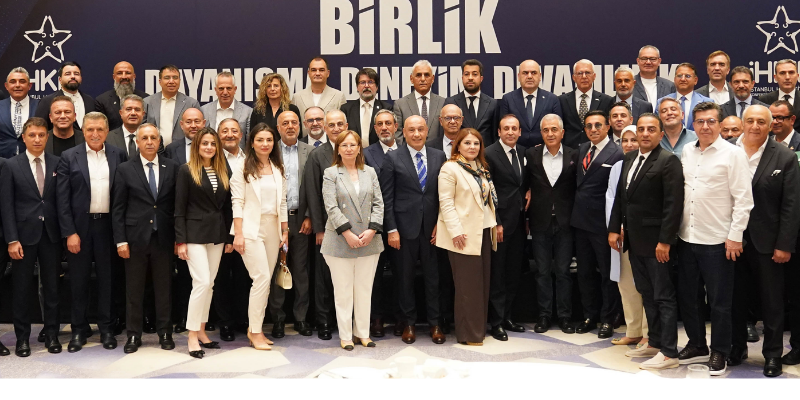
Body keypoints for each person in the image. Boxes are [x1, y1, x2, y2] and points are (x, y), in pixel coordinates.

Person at [677, 101, 753, 376]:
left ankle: (720, 349)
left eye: (710, 121)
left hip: (719, 241)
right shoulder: (687, 151)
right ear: (693, 124)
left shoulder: (734, 154)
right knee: (690, 297)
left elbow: (744, 200)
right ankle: (697, 343)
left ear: (720, 125)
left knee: (720, 302)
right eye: (700, 121)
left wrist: (735, 237)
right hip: (687, 236)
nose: (705, 126)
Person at [608, 113, 684, 370]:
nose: (645, 134)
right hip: (634, 240)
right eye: (641, 129)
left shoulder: (668, 160)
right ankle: (655, 341)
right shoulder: (630, 158)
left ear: (661, 134)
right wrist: (614, 229)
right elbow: (622, 199)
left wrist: (666, 241)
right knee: (647, 294)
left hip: (657, 244)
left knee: (663, 296)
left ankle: (670, 352)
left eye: (651, 129)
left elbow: (673, 205)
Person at [729, 105, 800, 377]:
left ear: (771, 126)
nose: (755, 126)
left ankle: (772, 355)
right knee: (734, 299)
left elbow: (791, 206)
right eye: (750, 121)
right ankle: (737, 348)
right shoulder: (727, 151)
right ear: (742, 123)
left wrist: (784, 245)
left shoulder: (784, 156)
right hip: (731, 240)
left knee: (772, 303)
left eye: (761, 122)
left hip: (768, 243)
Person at [56, 112, 128, 352]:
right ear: (83, 132)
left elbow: (123, 196)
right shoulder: (69, 156)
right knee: (79, 281)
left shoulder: (118, 154)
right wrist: (69, 232)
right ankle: (79, 329)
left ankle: (107, 329)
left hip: (108, 227)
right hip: (80, 228)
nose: (95, 134)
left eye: (99, 129)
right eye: (90, 130)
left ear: (107, 132)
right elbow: (62, 199)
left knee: (108, 281)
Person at [379, 115, 448, 344]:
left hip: (432, 230)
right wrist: (391, 229)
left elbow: (444, 195)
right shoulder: (393, 158)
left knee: (433, 279)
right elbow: (387, 198)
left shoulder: (439, 156)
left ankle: (435, 323)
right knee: (404, 279)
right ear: (403, 132)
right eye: (411, 130)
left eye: (420, 129)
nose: (416, 134)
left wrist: (441, 223)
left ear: (427, 131)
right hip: (403, 230)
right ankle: (408, 323)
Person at [111, 123, 179, 353]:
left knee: (164, 289)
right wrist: (121, 241)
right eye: (145, 138)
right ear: (137, 142)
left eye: (153, 138)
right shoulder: (125, 169)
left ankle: (165, 332)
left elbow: (176, 206)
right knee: (134, 290)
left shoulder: (172, 167)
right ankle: (133, 335)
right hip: (134, 240)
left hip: (164, 238)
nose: (149, 142)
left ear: (160, 142)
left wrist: (178, 238)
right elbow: (118, 208)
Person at [0, 118, 62, 357]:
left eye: (41, 135)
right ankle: (22, 339)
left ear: (47, 137)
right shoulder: (11, 165)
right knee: (22, 289)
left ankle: (52, 334)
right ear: (24, 138)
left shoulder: (57, 162)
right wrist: (12, 239)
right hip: (22, 238)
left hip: (51, 235)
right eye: (32, 135)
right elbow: (6, 205)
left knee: (52, 288)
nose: (37, 139)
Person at [320, 130, 384, 350]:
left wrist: (372, 230)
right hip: (340, 240)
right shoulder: (331, 173)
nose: (348, 149)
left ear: (359, 148)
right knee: (343, 291)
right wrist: (347, 233)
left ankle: (363, 333)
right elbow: (331, 206)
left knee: (364, 289)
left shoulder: (370, 172)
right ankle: (346, 336)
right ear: (338, 149)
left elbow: (379, 203)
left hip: (368, 239)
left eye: (353, 145)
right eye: (344, 145)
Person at [174, 127, 233, 358]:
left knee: (209, 285)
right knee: (201, 282)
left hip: (217, 234)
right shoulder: (186, 170)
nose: (209, 147)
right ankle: (191, 335)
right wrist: (180, 241)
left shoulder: (223, 170)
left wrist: (229, 237)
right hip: (194, 234)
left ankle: (201, 330)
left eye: (212, 143)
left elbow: (227, 207)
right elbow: (179, 208)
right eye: (204, 143)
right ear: (197, 146)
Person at [436, 128, 497, 345]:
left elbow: (487, 201)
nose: (472, 147)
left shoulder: (480, 167)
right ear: (458, 146)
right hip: (462, 234)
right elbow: (446, 202)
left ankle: (477, 330)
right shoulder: (450, 168)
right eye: (467, 143)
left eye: (476, 143)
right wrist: (455, 231)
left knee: (481, 285)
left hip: (483, 231)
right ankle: (468, 335)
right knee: (467, 287)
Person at [230, 124, 288, 351]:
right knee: (261, 278)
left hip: (273, 228)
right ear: (252, 142)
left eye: (269, 140)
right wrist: (238, 234)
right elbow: (237, 202)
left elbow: (282, 202)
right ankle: (255, 331)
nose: (265, 144)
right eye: (260, 140)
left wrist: (285, 231)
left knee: (266, 280)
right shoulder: (242, 167)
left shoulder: (278, 168)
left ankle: (256, 328)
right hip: (250, 228)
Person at [571, 110, 624, 337]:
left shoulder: (617, 153)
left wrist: (615, 226)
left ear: (608, 127)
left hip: (603, 225)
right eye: (589, 126)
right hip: (580, 223)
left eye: (598, 125)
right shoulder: (582, 149)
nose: (593, 129)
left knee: (606, 274)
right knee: (584, 273)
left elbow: (618, 195)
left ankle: (608, 319)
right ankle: (589, 316)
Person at [527, 114, 577, 334]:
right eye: (546, 130)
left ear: (562, 132)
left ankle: (565, 316)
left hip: (566, 222)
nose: (550, 133)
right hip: (540, 222)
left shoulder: (575, 155)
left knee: (564, 272)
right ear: (541, 133)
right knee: (542, 272)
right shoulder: (531, 154)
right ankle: (544, 315)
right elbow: (525, 183)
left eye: (554, 129)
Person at [268, 112, 315, 338]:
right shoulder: (269, 150)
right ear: (278, 128)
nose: (290, 126)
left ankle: (301, 318)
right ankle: (277, 319)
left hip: (301, 220)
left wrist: (309, 215)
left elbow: (315, 187)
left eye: (294, 123)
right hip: (275, 220)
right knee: (278, 267)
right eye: (285, 123)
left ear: (300, 126)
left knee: (301, 270)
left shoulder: (310, 151)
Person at [305, 110, 349, 340]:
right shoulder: (317, 155)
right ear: (325, 127)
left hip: (352, 227)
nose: (336, 128)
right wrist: (319, 228)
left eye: (340, 124)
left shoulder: (354, 150)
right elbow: (312, 193)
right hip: (327, 227)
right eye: (331, 125)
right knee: (324, 276)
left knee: (346, 277)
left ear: (346, 125)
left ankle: (346, 320)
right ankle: (323, 320)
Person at [605, 125, 649, 348]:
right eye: (625, 140)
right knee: (626, 284)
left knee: (647, 285)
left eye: (634, 139)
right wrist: (615, 228)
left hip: (644, 235)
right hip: (622, 236)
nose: (629, 144)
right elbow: (611, 199)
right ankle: (633, 331)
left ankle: (649, 333)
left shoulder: (652, 163)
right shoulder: (617, 167)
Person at [485, 115, 528, 340]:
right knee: (498, 275)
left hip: (519, 223)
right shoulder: (489, 153)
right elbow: (487, 192)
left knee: (513, 273)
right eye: (506, 128)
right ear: (499, 132)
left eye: (514, 128)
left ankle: (508, 316)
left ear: (520, 131)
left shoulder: (523, 152)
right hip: (499, 224)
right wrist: (497, 222)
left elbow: (523, 183)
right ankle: (496, 322)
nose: (510, 132)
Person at [362, 109, 399, 337]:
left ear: (396, 126)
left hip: (400, 225)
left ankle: (400, 318)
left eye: (388, 123)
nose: (384, 127)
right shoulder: (366, 154)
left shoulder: (405, 151)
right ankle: (376, 318)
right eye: (380, 124)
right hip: (373, 226)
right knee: (374, 275)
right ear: (375, 129)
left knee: (401, 273)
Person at [213, 118, 250, 341]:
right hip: (222, 229)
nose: (230, 134)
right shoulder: (213, 160)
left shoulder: (249, 159)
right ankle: (225, 322)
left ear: (241, 135)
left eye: (234, 131)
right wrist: (229, 235)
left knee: (244, 276)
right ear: (219, 135)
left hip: (248, 228)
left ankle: (242, 319)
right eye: (225, 131)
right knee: (221, 278)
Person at [499, 59, 562, 148]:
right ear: (518, 76)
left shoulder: (552, 99)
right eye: (525, 73)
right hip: (516, 151)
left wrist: (544, 147)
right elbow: (503, 129)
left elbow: (558, 130)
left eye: (533, 73)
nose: (529, 76)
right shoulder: (508, 99)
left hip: (543, 151)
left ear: (540, 76)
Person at [558, 59, 614, 149]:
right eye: (580, 73)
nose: (584, 76)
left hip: (596, 150)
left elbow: (609, 129)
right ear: (574, 77)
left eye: (587, 73)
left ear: (594, 76)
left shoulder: (606, 100)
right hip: (569, 150)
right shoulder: (562, 100)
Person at [144, 65, 201, 146]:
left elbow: (199, 131)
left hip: (181, 150)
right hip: (154, 149)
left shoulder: (191, 103)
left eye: (175, 78)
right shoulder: (147, 102)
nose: (171, 81)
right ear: (160, 81)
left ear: (179, 81)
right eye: (167, 78)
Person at [445, 59, 498, 145]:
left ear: (481, 78)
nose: (470, 78)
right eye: (466, 74)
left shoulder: (492, 104)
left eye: (475, 74)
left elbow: (495, 135)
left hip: (486, 152)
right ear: (462, 78)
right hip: (459, 151)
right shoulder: (451, 102)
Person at [293, 57, 347, 137]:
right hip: (305, 143)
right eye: (314, 70)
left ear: (328, 73)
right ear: (308, 73)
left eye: (321, 70)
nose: (317, 73)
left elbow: (342, 125)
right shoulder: (297, 97)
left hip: (331, 143)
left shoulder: (339, 96)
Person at [34, 61, 95, 131]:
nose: (73, 76)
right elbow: (38, 128)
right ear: (60, 80)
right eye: (68, 74)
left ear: (81, 78)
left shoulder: (89, 100)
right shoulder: (47, 101)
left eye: (76, 74)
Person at [340, 68, 393, 147]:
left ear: (377, 87)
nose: (366, 86)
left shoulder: (386, 108)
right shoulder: (346, 109)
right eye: (362, 82)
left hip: (379, 153)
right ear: (357, 87)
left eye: (370, 82)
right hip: (353, 152)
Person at [394, 60, 445, 140]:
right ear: (411, 79)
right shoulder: (400, 105)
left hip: (437, 148)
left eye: (426, 75)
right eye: (418, 75)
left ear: (432, 79)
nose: (423, 79)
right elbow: (398, 136)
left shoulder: (443, 103)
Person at [655, 63, 713, 130]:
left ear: (695, 80)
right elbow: (657, 127)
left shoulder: (707, 102)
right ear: (674, 79)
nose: (683, 79)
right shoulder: (661, 102)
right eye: (679, 76)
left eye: (687, 76)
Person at [94, 61, 148, 131]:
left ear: (134, 76)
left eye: (128, 73)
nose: (124, 76)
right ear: (114, 77)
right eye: (119, 73)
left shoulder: (146, 99)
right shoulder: (102, 101)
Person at [201, 71, 253, 140]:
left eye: (229, 88)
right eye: (221, 89)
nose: (225, 92)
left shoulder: (248, 112)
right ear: (215, 90)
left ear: (235, 89)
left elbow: (249, 141)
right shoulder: (204, 110)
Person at [1, 67, 39, 158]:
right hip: (2, 160)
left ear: (29, 86)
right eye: (13, 82)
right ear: (6, 86)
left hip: (32, 159)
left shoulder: (40, 105)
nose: (17, 85)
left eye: (22, 81)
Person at [758, 59, 800, 132]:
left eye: (791, 72)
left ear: (797, 76)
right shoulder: (764, 100)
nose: (787, 77)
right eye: (782, 73)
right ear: (775, 77)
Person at [633, 46, 676, 111]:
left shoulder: (670, 86)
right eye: (644, 58)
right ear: (638, 61)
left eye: (652, 59)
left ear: (659, 61)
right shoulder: (629, 84)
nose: (648, 62)